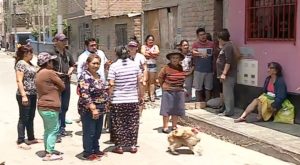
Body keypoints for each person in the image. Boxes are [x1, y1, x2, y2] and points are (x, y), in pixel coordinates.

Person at [108, 46, 141, 154]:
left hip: (118, 100)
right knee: (132, 122)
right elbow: (139, 83)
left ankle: (119, 146)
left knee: (118, 123)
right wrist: (141, 97)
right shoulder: (135, 65)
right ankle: (132, 146)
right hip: (133, 98)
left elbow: (111, 84)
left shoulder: (113, 66)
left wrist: (109, 98)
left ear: (116, 54)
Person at [77, 54, 108, 160]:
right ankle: (88, 152)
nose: (96, 65)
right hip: (88, 108)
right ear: (88, 64)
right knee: (89, 131)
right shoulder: (85, 76)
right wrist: (93, 108)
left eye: (98, 63)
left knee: (97, 130)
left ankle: (96, 148)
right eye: (93, 63)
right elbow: (85, 93)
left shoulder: (98, 75)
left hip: (101, 106)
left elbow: (103, 91)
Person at [35, 52, 65, 161]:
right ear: (47, 62)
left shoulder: (39, 73)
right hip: (51, 105)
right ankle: (49, 154)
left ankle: (47, 149)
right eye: (51, 61)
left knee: (47, 130)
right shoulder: (50, 72)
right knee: (53, 129)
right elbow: (62, 85)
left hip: (42, 105)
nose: (53, 63)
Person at [14, 45, 40, 150]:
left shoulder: (29, 63)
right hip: (25, 94)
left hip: (33, 94)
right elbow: (19, 80)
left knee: (31, 116)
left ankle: (31, 137)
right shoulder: (21, 64)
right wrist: (24, 95)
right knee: (23, 117)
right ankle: (21, 140)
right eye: (31, 53)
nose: (32, 55)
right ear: (25, 54)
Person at [52, 33, 75, 137]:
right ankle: (55, 127)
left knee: (65, 106)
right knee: (57, 106)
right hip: (55, 83)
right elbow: (47, 67)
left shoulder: (67, 53)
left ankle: (62, 127)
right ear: (56, 41)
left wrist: (70, 71)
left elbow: (72, 65)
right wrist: (56, 73)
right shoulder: (51, 53)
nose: (64, 42)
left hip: (66, 82)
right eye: (62, 40)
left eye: (65, 40)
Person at [158, 50, 186, 133]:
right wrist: (163, 86)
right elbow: (160, 77)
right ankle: (165, 126)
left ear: (179, 59)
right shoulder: (166, 68)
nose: (175, 59)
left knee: (176, 109)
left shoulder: (180, 68)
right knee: (166, 109)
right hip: (168, 90)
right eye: (173, 58)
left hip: (179, 90)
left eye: (177, 58)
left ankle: (174, 126)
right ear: (170, 59)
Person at [216, 29, 237, 116]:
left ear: (221, 38)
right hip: (224, 75)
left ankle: (229, 112)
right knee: (226, 93)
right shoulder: (225, 46)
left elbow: (228, 61)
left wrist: (224, 73)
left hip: (228, 75)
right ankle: (226, 109)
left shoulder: (228, 46)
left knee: (228, 94)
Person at [192, 28, 214, 102]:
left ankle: (208, 102)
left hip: (209, 70)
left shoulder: (211, 44)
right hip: (199, 70)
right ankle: (198, 102)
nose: (203, 36)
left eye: (204, 34)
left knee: (208, 88)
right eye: (201, 35)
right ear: (198, 36)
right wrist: (200, 53)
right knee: (198, 88)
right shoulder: (195, 44)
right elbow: (193, 52)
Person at [128, 40, 148, 116]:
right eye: (130, 46)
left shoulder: (140, 56)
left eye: (133, 46)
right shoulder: (126, 56)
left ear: (136, 48)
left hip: (139, 78)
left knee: (141, 96)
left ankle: (139, 114)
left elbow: (145, 68)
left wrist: (145, 79)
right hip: (129, 79)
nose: (132, 48)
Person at [141, 35, 160, 102]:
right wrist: (153, 55)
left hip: (153, 65)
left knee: (152, 81)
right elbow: (143, 53)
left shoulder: (155, 46)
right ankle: (146, 94)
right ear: (146, 40)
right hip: (145, 65)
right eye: (149, 40)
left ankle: (152, 95)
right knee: (145, 80)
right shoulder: (143, 46)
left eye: (152, 40)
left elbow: (157, 53)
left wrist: (150, 54)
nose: (151, 41)